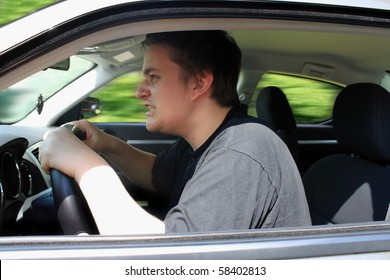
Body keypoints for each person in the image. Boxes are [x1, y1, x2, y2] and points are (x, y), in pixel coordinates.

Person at [39, 30, 311, 235]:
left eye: (153, 77)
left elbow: (168, 261)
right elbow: (158, 175)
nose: (139, 92)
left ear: (198, 83)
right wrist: (105, 144)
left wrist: (85, 167)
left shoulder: (241, 151)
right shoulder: (205, 140)